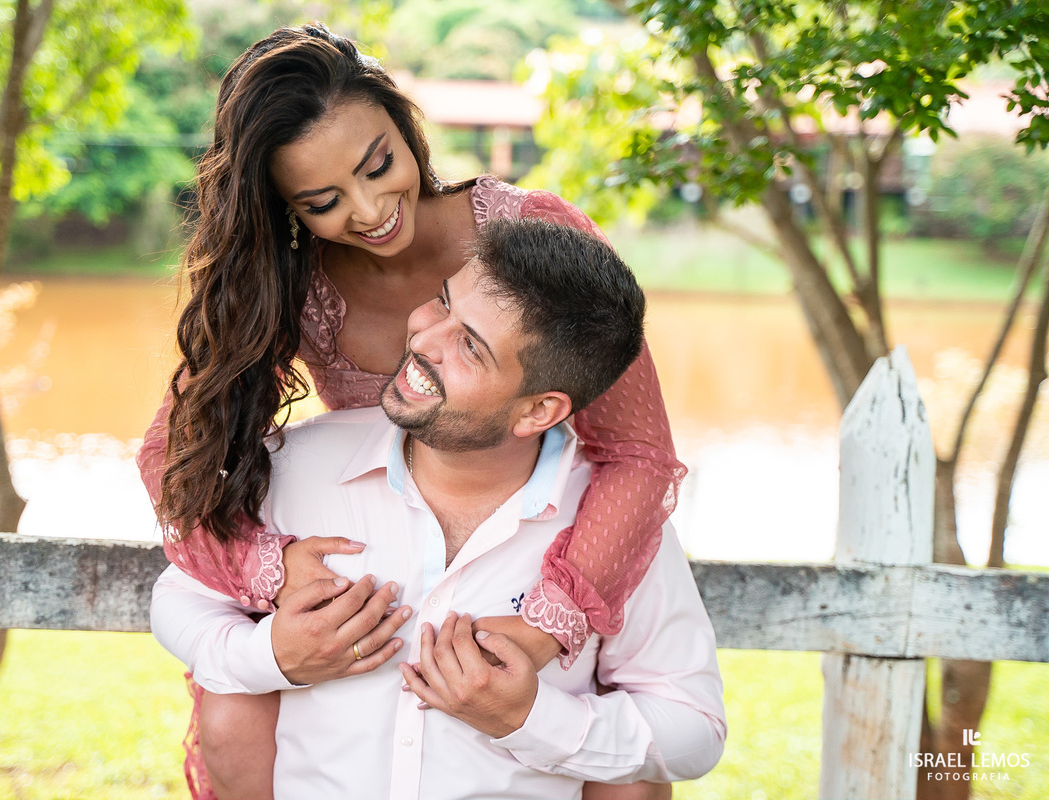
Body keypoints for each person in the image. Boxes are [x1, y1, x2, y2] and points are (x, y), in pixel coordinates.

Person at [136, 22, 686, 799]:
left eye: (378, 165)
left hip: (525, 554)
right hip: (376, 565)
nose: (369, 211)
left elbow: (637, 453)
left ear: (403, 123)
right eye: (323, 201)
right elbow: (170, 454)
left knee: (623, 768)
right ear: (284, 206)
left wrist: (549, 621)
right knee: (238, 716)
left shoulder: (527, 233)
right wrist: (271, 567)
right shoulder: (290, 281)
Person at [151, 218, 726, 800]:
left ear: (538, 411)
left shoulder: (614, 528)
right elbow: (180, 597)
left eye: (470, 345)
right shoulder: (298, 464)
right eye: (443, 302)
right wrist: (271, 656)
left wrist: (529, 718)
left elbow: (695, 729)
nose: (424, 339)